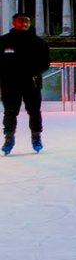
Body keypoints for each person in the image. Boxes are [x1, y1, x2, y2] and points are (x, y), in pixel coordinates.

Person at [1, 13, 51, 155]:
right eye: (20, 21)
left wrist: (34, 73)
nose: (23, 24)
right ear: (13, 23)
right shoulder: (4, 42)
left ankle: (36, 137)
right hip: (10, 83)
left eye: (26, 21)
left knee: (34, 111)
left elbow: (45, 63)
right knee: (10, 112)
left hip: (31, 82)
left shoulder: (39, 43)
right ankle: (8, 138)